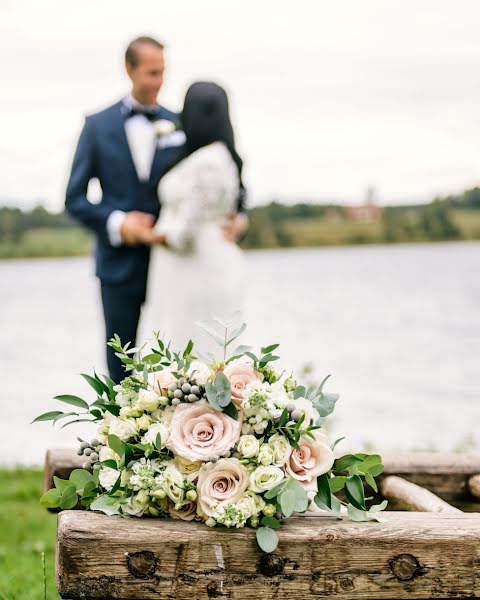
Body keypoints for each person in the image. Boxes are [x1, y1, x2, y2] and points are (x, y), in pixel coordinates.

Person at [65, 37, 246, 382]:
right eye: (151, 73)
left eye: (163, 72)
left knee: (184, 358)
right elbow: (74, 198)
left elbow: (229, 175)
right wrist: (120, 224)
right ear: (129, 69)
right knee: (122, 367)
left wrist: (240, 218)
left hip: (182, 265)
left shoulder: (182, 125)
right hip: (120, 266)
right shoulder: (96, 126)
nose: (159, 81)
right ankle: (122, 433)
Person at [142, 81, 249, 355]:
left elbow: (182, 235)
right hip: (203, 263)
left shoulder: (207, 163)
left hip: (195, 266)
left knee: (190, 346)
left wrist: (147, 234)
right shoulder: (219, 156)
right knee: (206, 351)